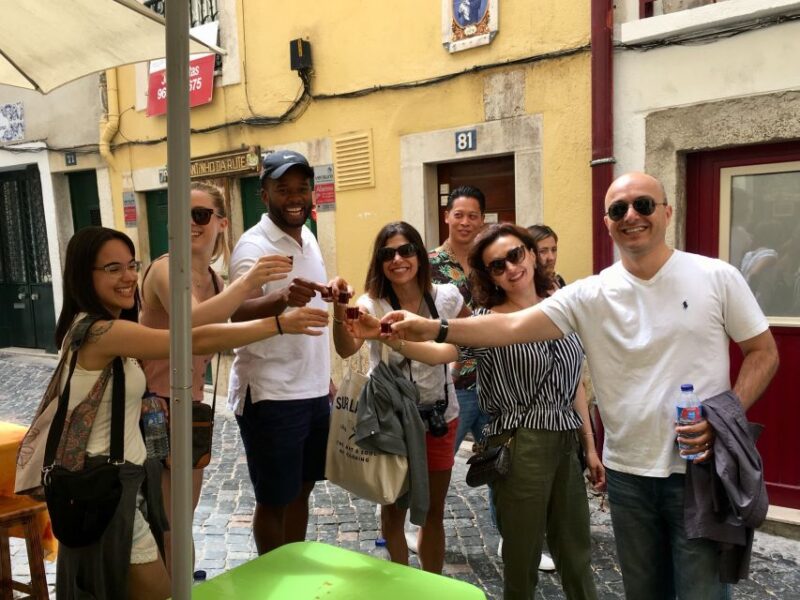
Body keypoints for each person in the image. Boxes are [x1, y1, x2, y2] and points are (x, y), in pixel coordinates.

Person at [385, 172, 779, 600]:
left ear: (667, 211)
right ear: (607, 222)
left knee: (683, 586)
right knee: (622, 584)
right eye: (617, 209)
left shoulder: (711, 277)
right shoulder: (585, 295)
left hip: (686, 468)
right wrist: (419, 330)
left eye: (643, 205)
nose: (631, 215)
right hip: (598, 465)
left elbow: (763, 352)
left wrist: (723, 418)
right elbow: (499, 331)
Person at [52, 226, 327, 600]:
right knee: (158, 591)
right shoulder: (101, 331)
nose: (129, 277)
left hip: (118, 485)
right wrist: (277, 323)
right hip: (106, 491)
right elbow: (190, 338)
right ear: (84, 275)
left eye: (131, 265)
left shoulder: (94, 326)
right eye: (112, 268)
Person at [353, 223, 603, 599]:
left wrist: (589, 445)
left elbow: (574, 385)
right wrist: (397, 340)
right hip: (521, 445)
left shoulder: (562, 306)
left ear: (533, 253)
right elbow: (442, 351)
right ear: (490, 276)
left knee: (576, 552)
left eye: (515, 255)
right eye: (496, 266)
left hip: (567, 443)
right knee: (522, 557)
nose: (510, 268)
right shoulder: (485, 318)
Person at [139, 181, 292, 572]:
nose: (190, 223)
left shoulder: (215, 280)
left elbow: (222, 325)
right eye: (180, 214)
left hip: (188, 408)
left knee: (180, 520)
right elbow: (193, 323)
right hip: (149, 410)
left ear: (221, 222)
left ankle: (181, 586)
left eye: (200, 215)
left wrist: (282, 310)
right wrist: (253, 289)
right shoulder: (165, 269)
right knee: (162, 523)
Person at [333, 221, 467, 574]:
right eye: (387, 253)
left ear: (420, 256)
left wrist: (459, 363)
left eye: (406, 250)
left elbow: (467, 336)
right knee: (393, 505)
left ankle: (430, 586)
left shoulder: (447, 297)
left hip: (439, 416)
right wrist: (339, 312)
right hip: (390, 418)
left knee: (434, 510)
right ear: (379, 262)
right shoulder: (372, 304)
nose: (398, 259)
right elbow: (347, 348)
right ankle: (399, 582)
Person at [227, 149, 338, 555]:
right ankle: (272, 579)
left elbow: (307, 304)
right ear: (264, 195)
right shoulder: (253, 247)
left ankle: (294, 570)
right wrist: (280, 301)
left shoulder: (307, 235)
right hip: (272, 393)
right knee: (274, 499)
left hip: (311, 389)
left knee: (302, 490)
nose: (295, 197)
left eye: (301, 188)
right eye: (283, 189)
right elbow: (235, 312)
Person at [429, 185, 487, 453]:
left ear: (482, 219)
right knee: (440, 464)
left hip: (494, 381)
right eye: (459, 214)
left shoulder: (491, 262)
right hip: (451, 385)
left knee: (501, 469)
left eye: (473, 216)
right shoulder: (428, 264)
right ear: (446, 216)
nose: (465, 222)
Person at [528, 224, 566, 292]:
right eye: (543, 251)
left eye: (554, 250)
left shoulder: (558, 281)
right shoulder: (528, 290)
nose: (551, 258)